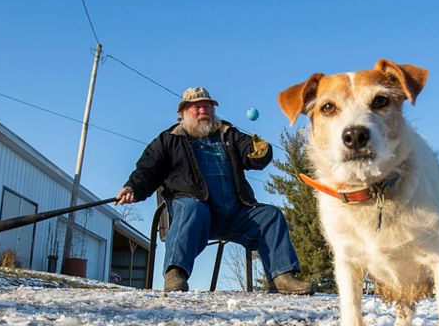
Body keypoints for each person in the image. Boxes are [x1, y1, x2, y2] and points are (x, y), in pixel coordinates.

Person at [116, 87, 314, 294]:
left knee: (270, 216)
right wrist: (133, 187)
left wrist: (260, 151)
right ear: (183, 113)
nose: (203, 111)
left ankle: (282, 276)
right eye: (196, 107)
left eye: (207, 106)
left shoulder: (228, 134)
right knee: (192, 207)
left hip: (236, 212)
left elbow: (252, 154)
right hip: (196, 213)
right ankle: (176, 273)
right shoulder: (168, 140)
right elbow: (147, 169)